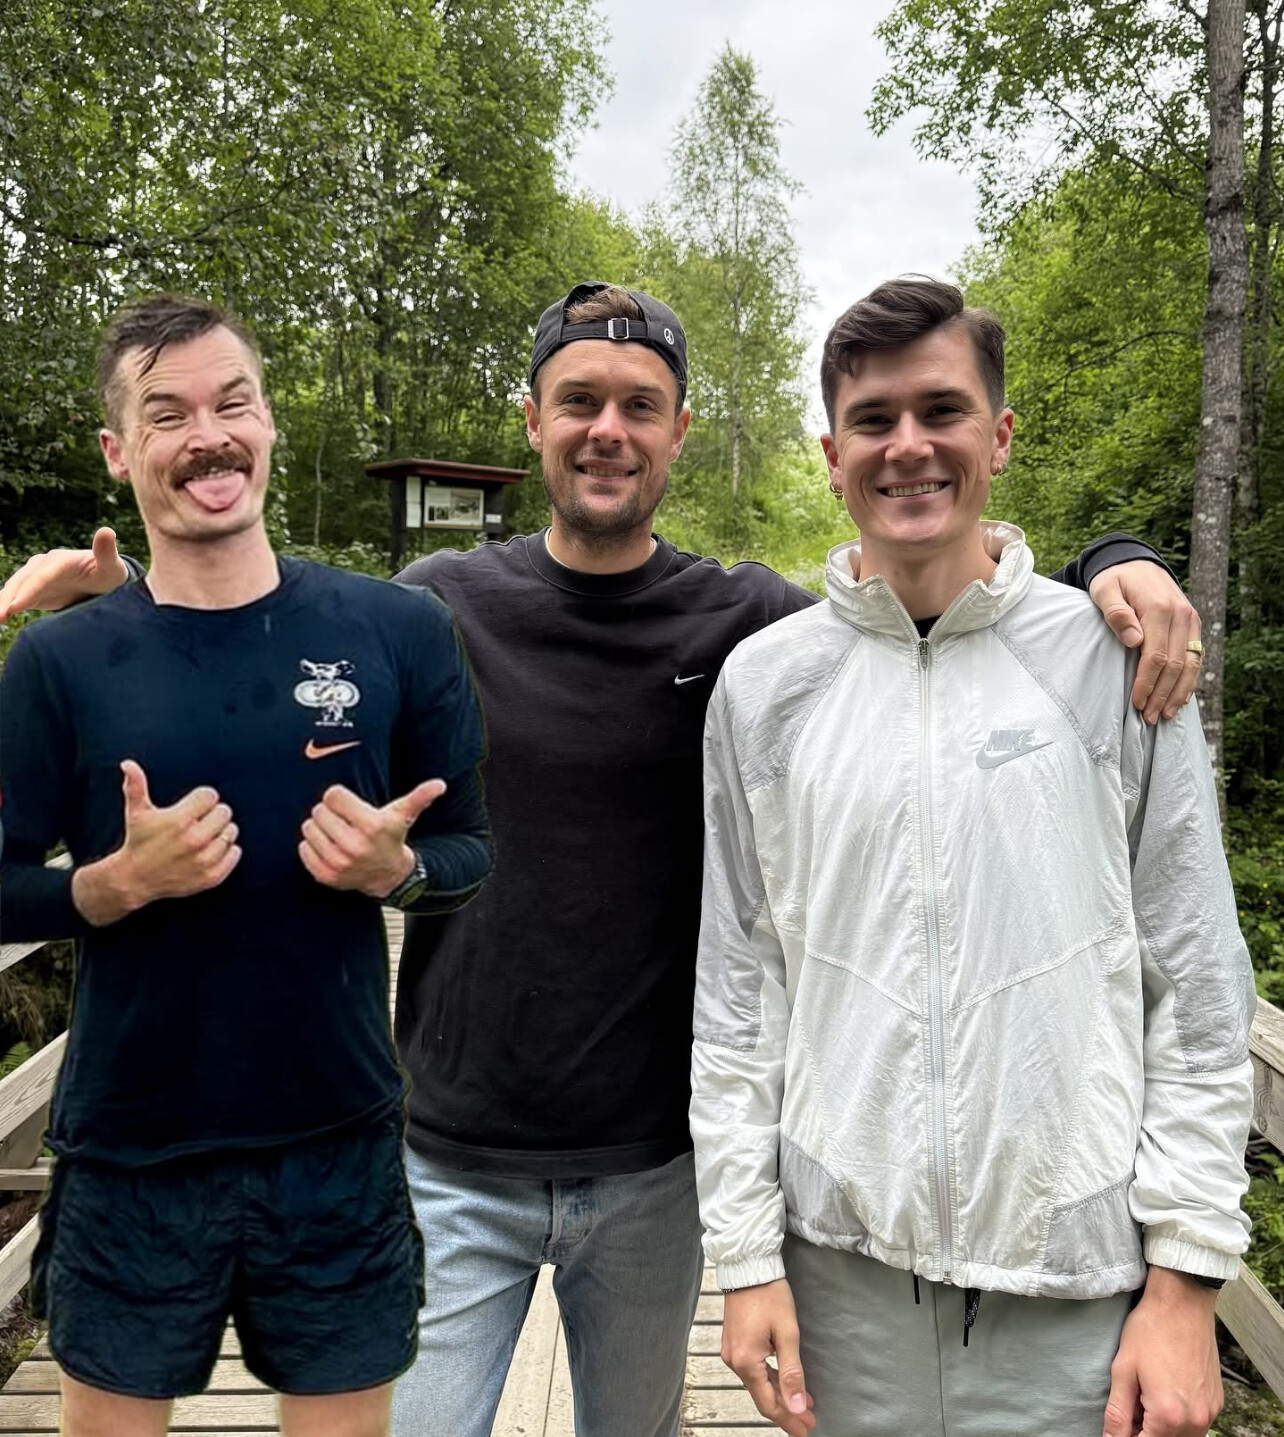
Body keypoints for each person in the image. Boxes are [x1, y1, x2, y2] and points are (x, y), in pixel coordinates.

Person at [0, 282, 1204, 1437]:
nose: (607, 431)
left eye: (640, 405)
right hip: (446, 1148)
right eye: (578, 401)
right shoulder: (430, 608)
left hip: (654, 1165)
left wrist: (1111, 563)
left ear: (680, 431)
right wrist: (131, 609)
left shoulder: (753, 631)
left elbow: (911, 610)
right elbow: (263, 647)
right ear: (534, 422)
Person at [690, 277, 1254, 1437]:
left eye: (941, 410)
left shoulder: (1115, 661)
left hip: (1076, 1297)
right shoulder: (765, 687)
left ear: (997, 437)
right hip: (841, 1293)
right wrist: (743, 1257)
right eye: (873, 419)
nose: (908, 446)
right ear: (831, 454)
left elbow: (1197, 980)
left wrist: (1189, 1278)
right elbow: (740, 991)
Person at [0, 294, 491, 1437]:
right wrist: (107, 887)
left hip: (336, 1141)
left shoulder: (398, 631)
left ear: (268, 421)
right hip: (128, 1150)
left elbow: (471, 847)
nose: (209, 436)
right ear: (119, 451)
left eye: (233, 403)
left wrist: (399, 872)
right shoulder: (59, 662)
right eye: (167, 415)